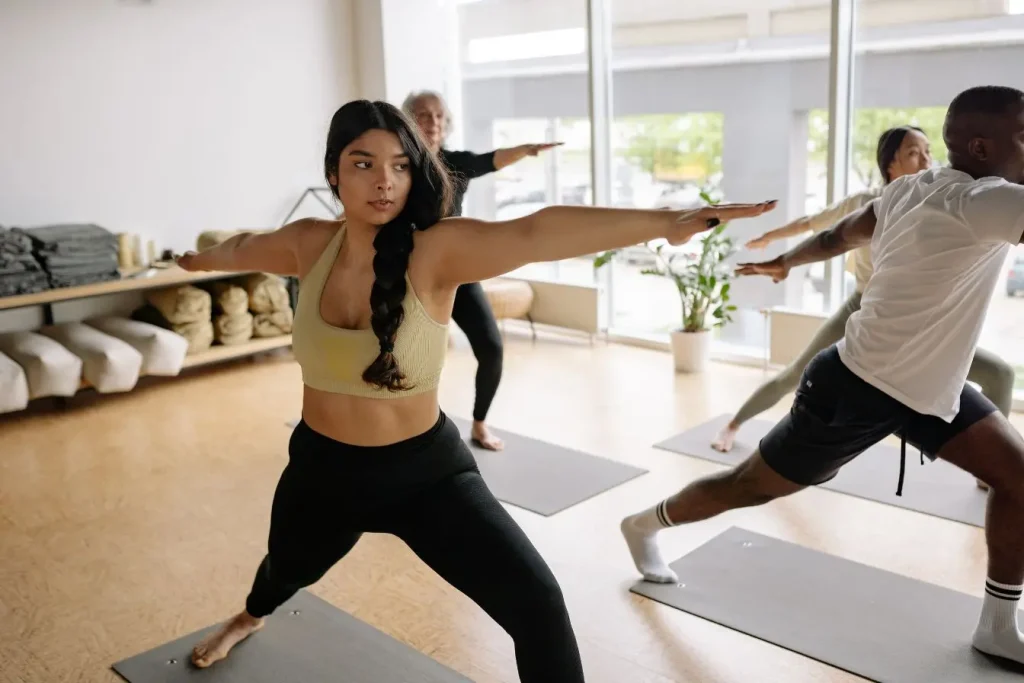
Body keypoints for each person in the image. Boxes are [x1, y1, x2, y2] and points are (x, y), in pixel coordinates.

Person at [177, 99, 776, 681]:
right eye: (363, 163)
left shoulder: (439, 250)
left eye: (400, 164)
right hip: (323, 471)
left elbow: (537, 231)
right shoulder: (309, 243)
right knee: (285, 570)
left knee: (538, 605)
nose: (384, 181)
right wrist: (195, 261)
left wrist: (664, 223)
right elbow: (238, 248)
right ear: (333, 172)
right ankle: (248, 618)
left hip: (426, 477)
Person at [620, 85, 1024, 666]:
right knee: (750, 486)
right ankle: (644, 523)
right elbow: (841, 234)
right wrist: (785, 260)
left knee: (1016, 477)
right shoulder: (989, 200)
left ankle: (998, 625)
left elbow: (840, 236)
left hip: (928, 384)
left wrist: (786, 261)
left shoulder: (910, 190)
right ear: (983, 147)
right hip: (855, 387)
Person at [712, 125, 1015, 467]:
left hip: (918, 324)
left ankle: (992, 469)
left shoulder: (939, 200)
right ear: (891, 163)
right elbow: (817, 227)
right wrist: (774, 245)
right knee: (795, 373)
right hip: (862, 309)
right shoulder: (869, 202)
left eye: (928, 151)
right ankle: (732, 425)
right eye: (914, 153)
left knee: (1000, 374)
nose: (926, 159)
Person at [403, 89, 562, 451]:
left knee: (491, 349)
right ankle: (405, 426)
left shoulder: (455, 163)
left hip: (458, 273)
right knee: (409, 356)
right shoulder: (399, 165)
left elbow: (490, 160)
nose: (434, 122)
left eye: (440, 117)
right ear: (410, 120)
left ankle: (479, 424)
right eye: (425, 115)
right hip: (413, 278)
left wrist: (526, 149)